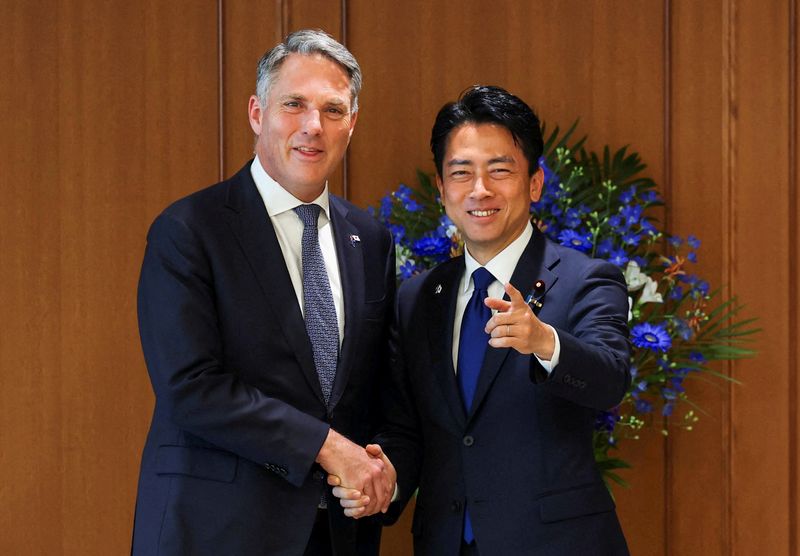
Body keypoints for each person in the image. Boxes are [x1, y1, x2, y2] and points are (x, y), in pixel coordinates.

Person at [332, 86, 631, 555]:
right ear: (442, 189)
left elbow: (610, 379)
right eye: (462, 172)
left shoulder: (585, 279)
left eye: (500, 170)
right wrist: (384, 476)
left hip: (556, 543)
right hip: (446, 542)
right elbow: (408, 427)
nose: (480, 190)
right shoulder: (416, 298)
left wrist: (544, 341)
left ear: (535, 183)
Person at [132, 29, 396, 556]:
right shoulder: (189, 229)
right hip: (215, 531)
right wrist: (325, 447)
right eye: (293, 104)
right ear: (257, 113)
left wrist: (383, 464)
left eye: (333, 109)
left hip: (337, 536)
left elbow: (377, 386)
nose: (313, 127)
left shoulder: (370, 239)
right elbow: (191, 388)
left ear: (353, 124)